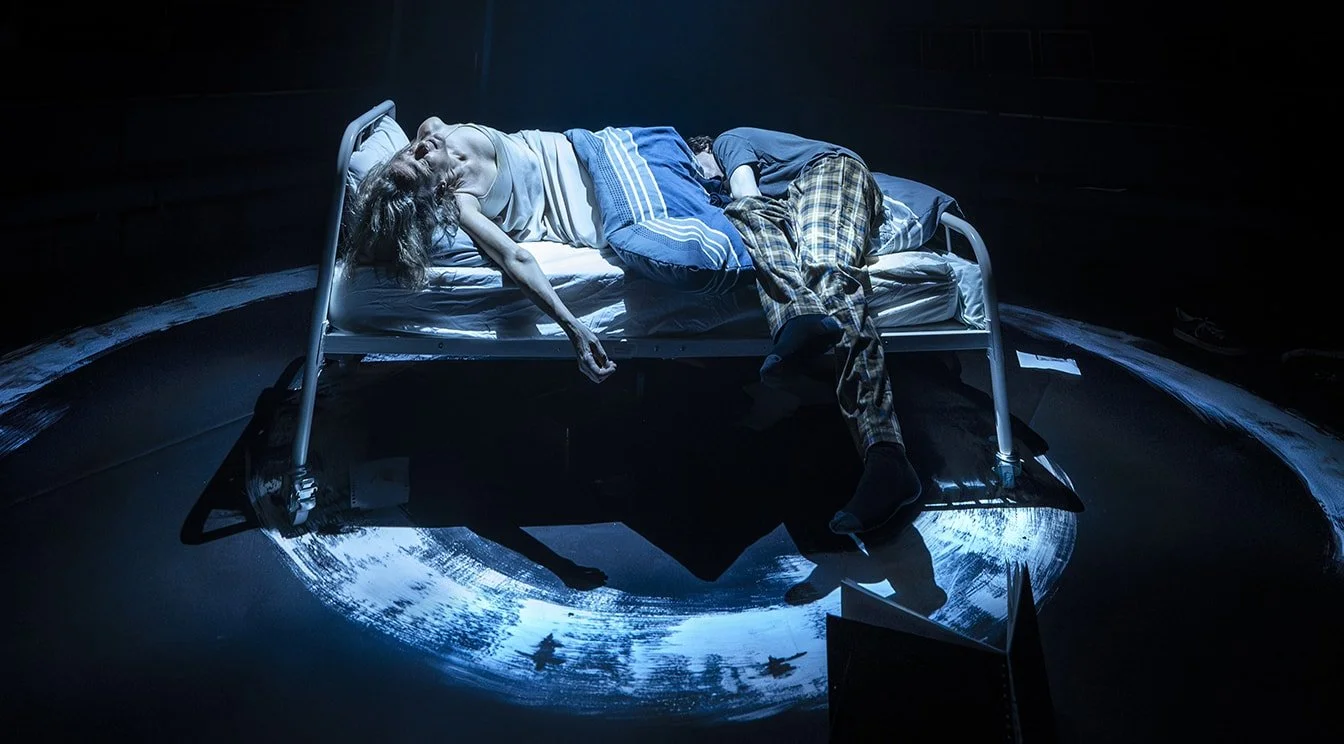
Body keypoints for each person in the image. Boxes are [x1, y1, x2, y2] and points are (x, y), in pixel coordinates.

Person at [687, 128, 923, 536]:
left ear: (703, 148)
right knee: (750, 221)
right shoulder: (758, 184)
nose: (703, 178)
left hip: (828, 173)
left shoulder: (726, 142)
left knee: (826, 272)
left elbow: (746, 194)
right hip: (796, 199)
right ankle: (801, 319)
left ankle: (888, 454)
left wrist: (723, 188)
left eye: (698, 167)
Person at [343, 118, 617, 384]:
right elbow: (516, 257)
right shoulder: (464, 203)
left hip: (566, 148)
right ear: (438, 190)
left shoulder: (431, 128)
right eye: (422, 162)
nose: (420, 147)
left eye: (408, 152)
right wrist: (574, 328)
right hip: (573, 203)